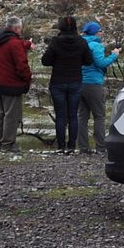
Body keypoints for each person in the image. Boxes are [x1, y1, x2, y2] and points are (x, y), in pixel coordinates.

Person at [41, 16, 93, 154]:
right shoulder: (81, 42)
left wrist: (57, 60)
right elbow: (88, 61)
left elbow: (45, 61)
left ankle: (61, 146)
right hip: (75, 81)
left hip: (58, 81)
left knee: (60, 115)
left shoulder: (56, 42)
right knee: (73, 115)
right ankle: (71, 146)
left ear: (60, 27)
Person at [0, 15, 33, 154]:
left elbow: (14, 46)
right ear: (16, 28)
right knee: (11, 116)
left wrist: (26, 44)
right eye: (20, 28)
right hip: (12, 85)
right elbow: (22, 65)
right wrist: (27, 80)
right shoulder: (14, 43)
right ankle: (8, 145)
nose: (21, 31)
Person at [77, 21, 120, 156]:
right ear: (95, 32)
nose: (102, 33)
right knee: (99, 116)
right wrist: (114, 55)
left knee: (82, 116)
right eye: (100, 31)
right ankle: (100, 147)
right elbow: (101, 63)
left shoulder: (79, 44)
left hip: (80, 83)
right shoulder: (96, 46)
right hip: (94, 83)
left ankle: (83, 147)